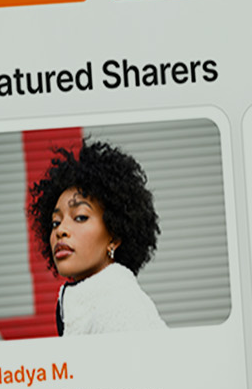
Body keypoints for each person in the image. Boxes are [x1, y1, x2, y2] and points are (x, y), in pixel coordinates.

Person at [34, 139, 172, 341]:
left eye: (80, 217)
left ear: (114, 236)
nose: (61, 230)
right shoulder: (91, 308)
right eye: (55, 222)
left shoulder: (123, 308)